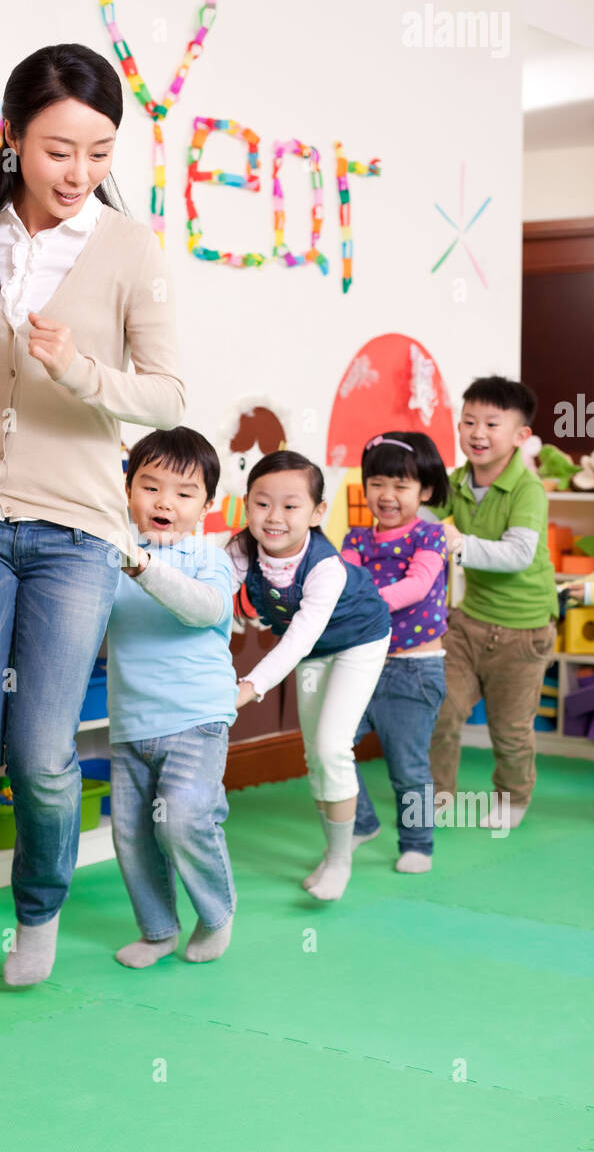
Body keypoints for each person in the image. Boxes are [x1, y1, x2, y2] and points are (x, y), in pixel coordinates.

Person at [0, 44, 185, 1041]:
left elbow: (165, 395)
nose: (77, 172)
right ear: (13, 137)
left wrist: (80, 376)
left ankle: (40, 904)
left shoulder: (128, 249)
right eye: (58, 149)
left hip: (73, 530)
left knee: (44, 755)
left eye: (98, 151)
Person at [229, 452, 391, 901]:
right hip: (316, 651)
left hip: (360, 640)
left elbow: (296, 642)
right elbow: (214, 599)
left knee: (331, 745)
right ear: (247, 504)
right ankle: (340, 842)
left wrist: (248, 688)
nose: (274, 517)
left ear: (318, 512)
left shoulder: (325, 567)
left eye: (291, 505)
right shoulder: (240, 548)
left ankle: (341, 862)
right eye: (262, 503)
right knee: (313, 753)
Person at [105, 427, 238, 967]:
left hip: (197, 718)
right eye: (150, 486)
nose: (165, 502)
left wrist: (141, 565)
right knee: (133, 835)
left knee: (181, 819)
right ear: (128, 491)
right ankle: (158, 930)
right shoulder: (108, 556)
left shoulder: (209, 557)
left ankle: (216, 912)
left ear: (207, 505)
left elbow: (203, 609)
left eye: (184, 493)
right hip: (130, 722)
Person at [429, 376, 558, 831]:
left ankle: (514, 796)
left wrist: (459, 544)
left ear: (521, 436)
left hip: (524, 630)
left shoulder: (528, 489)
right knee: (441, 707)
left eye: (491, 423)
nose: (476, 433)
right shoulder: (455, 481)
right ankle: (438, 794)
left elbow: (519, 554)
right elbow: (422, 519)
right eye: (467, 421)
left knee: (510, 729)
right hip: (468, 621)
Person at [341, 431, 450, 873]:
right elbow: (340, 582)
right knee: (331, 747)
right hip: (361, 665)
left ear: (423, 491)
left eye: (401, 486)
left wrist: (361, 601)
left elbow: (417, 586)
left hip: (414, 670)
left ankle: (418, 844)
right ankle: (361, 822)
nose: (387, 495)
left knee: (408, 767)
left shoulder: (430, 536)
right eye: (378, 483)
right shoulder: (356, 539)